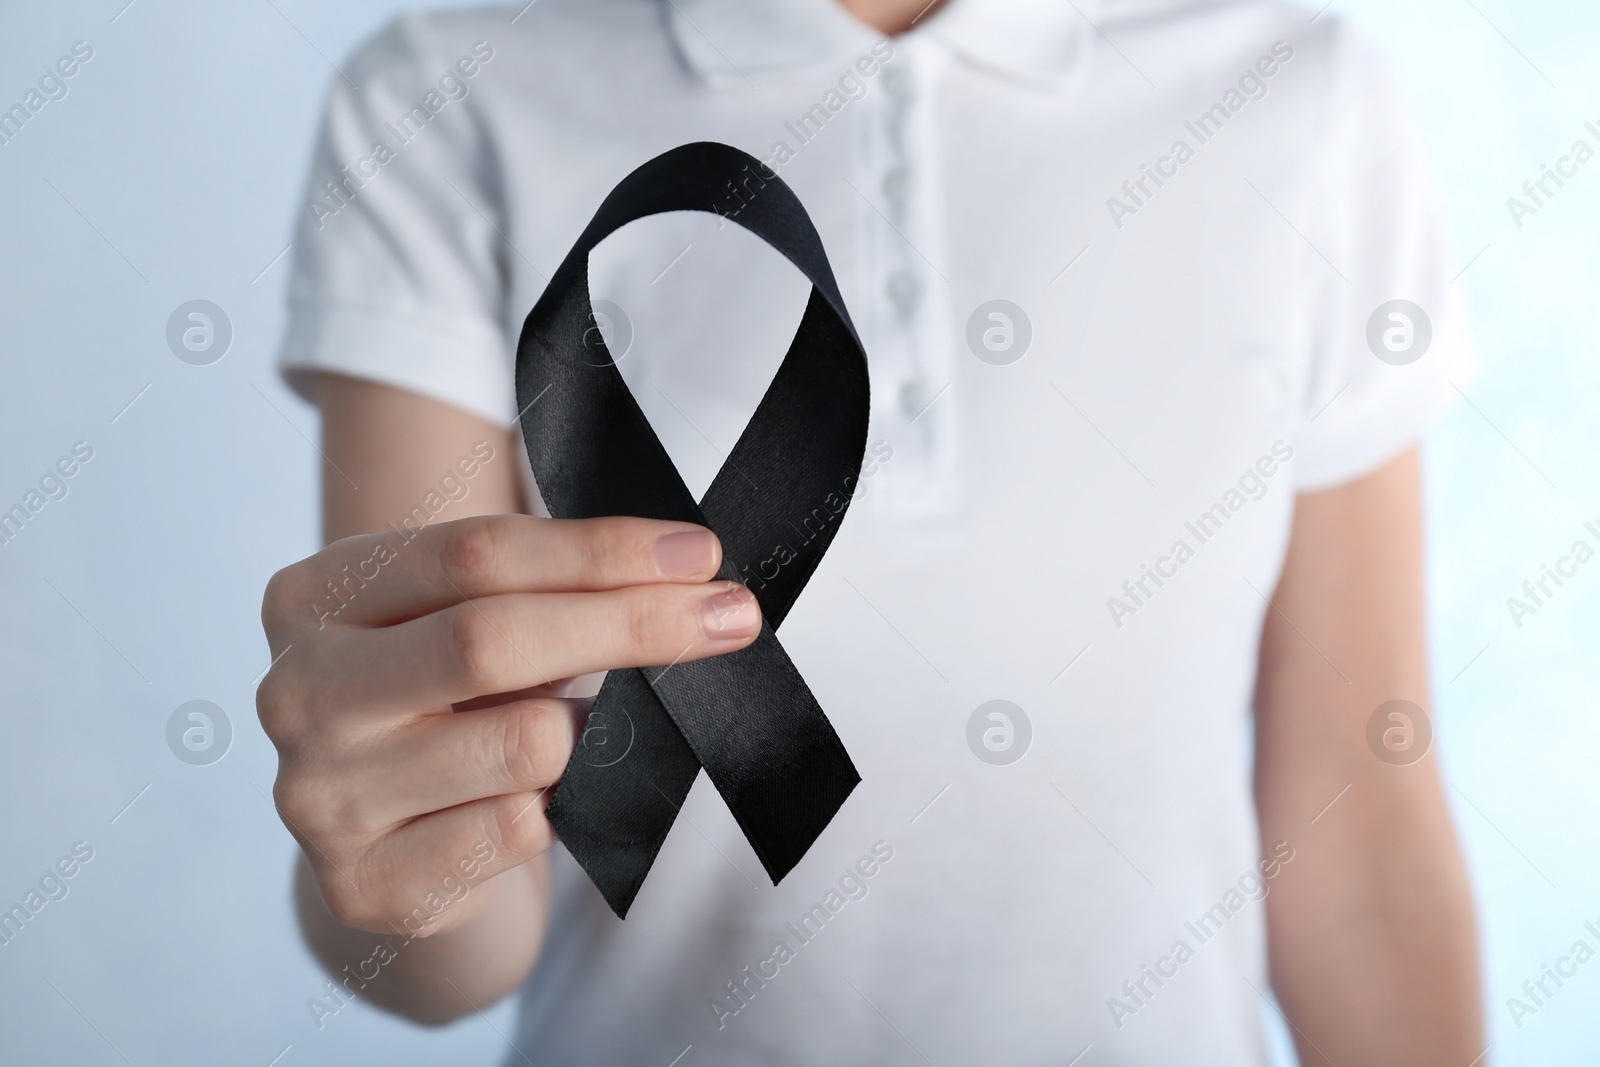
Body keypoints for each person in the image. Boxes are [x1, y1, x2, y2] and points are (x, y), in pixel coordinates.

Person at [258, 0, 1484, 1062]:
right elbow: (454, 911)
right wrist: (394, 870)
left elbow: (1353, 820)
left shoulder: (1298, 101)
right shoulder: (443, 101)